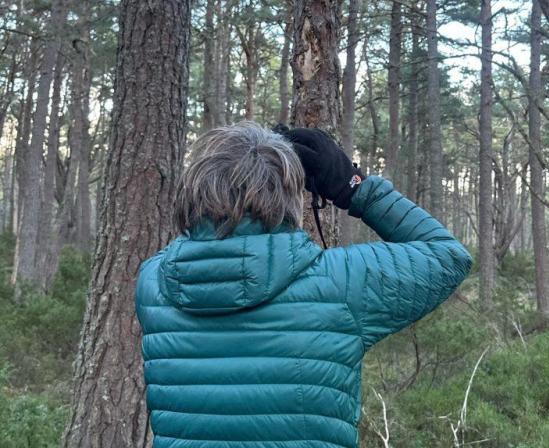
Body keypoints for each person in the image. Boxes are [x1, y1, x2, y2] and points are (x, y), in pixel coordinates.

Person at [135, 121, 472, 448]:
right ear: (290, 199)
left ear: (194, 194)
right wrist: (353, 186)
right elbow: (447, 255)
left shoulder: (154, 283)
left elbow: (193, 244)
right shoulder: (341, 283)